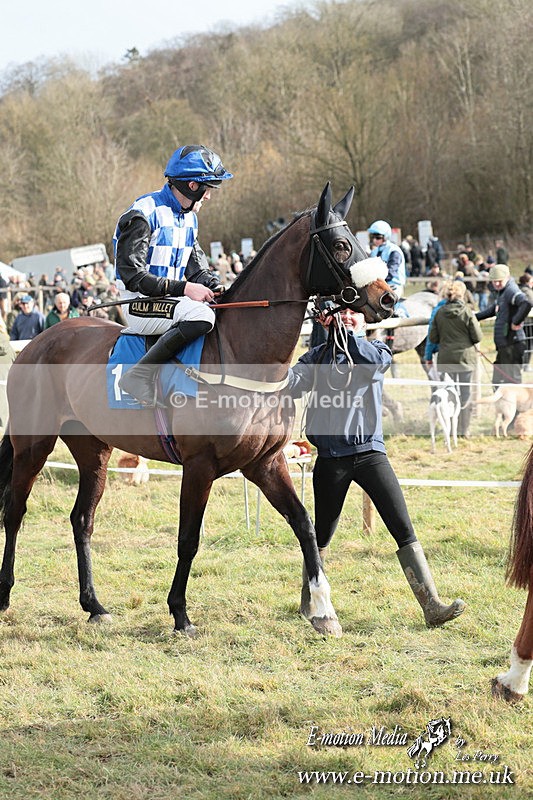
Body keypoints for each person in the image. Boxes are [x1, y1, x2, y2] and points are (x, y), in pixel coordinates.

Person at [286, 307, 465, 628]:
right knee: (321, 537)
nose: (348, 318)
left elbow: (371, 361)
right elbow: (292, 384)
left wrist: (348, 333)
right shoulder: (315, 357)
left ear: (364, 321)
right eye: (343, 314)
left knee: (403, 528)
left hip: (371, 454)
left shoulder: (377, 349)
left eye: (354, 314)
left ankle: (432, 606)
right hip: (331, 458)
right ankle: (311, 603)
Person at [114, 144, 233, 407]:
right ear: (193, 186)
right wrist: (185, 289)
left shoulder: (189, 218)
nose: (209, 197)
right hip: (137, 303)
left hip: (170, 302)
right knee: (201, 315)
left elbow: (198, 269)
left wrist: (218, 286)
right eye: (208, 188)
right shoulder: (142, 214)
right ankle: (139, 376)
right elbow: (132, 275)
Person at [428, 280, 483, 437]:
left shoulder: (439, 313)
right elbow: (477, 336)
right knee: (464, 393)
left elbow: (433, 337)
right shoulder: (467, 312)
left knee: (448, 393)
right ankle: (464, 429)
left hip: (446, 359)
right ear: (462, 295)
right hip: (465, 359)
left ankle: (450, 428)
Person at [476, 264, 533, 386]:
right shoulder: (502, 292)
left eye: (499, 281)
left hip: (512, 344)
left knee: (511, 382)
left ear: (507, 277)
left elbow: (526, 303)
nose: (496, 284)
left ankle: (516, 405)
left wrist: (515, 322)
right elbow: (492, 310)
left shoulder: (511, 290)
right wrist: (473, 317)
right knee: (498, 381)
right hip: (504, 345)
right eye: (494, 281)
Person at [367, 220, 406, 297]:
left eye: (378, 237)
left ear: (386, 237)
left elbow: (391, 272)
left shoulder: (394, 251)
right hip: (378, 285)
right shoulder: (374, 251)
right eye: (373, 237)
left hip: (393, 285)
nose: (375, 240)